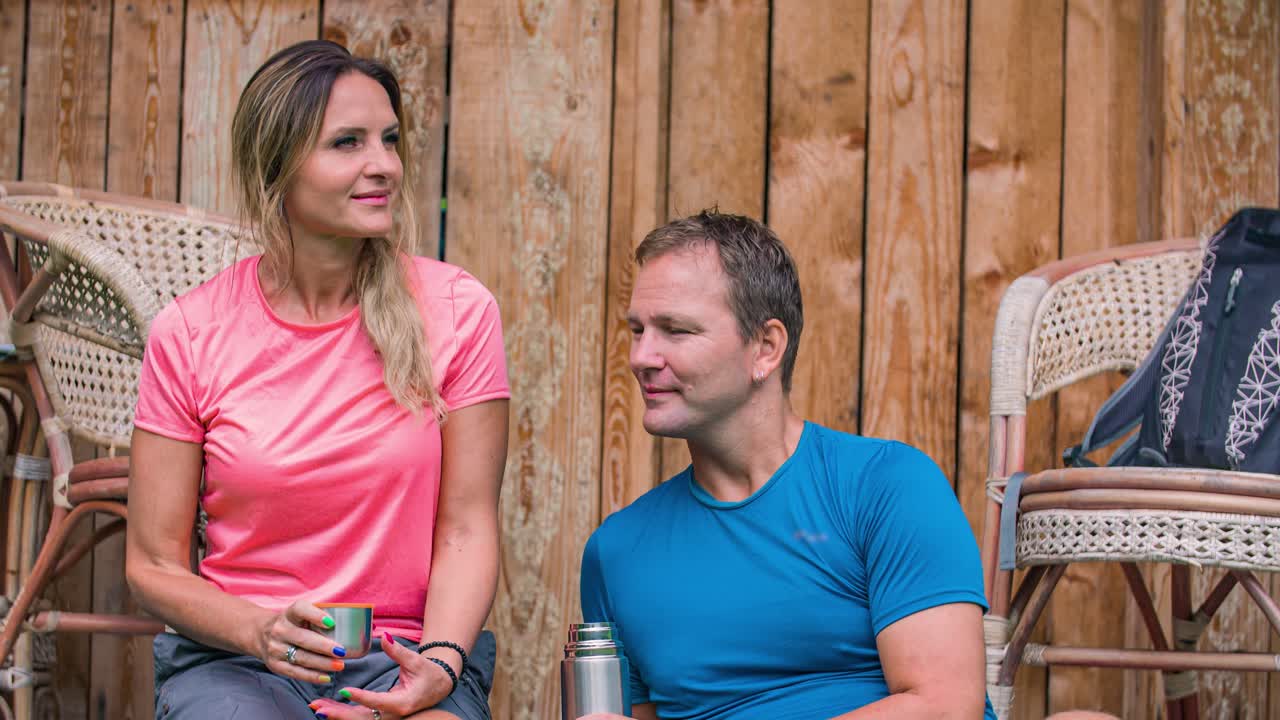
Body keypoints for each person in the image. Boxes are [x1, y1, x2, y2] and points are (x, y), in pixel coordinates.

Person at [125, 40, 509, 720]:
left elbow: (467, 528)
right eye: (347, 144)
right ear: (280, 168)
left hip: (412, 658)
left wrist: (443, 666)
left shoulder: (457, 311)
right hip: (239, 663)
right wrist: (256, 629)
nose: (384, 165)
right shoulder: (191, 332)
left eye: (389, 140)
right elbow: (152, 565)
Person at [578, 211, 994, 720]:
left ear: (766, 348)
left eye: (675, 330)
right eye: (637, 330)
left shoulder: (885, 487)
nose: (641, 356)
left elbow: (945, 707)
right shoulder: (616, 552)